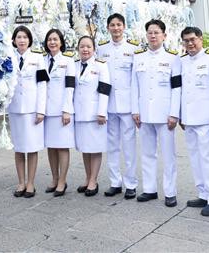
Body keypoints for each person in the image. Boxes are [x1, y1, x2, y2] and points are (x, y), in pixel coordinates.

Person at [179, 26, 209, 217]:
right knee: (195, 158)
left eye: (193, 39)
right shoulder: (182, 61)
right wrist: (181, 115)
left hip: (208, 119)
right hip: (190, 119)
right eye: (186, 41)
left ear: (201, 39)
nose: (190, 43)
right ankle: (204, 194)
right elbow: (182, 91)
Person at [131, 19, 181, 207]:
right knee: (147, 153)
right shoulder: (138, 57)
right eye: (150, 33)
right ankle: (149, 189)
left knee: (168, 155)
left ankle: (170, 192)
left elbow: (176, 88)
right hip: (144, 113)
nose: (153, 36)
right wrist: (135, 110)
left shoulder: (173, 57)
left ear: (164, 35)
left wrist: (174, 113)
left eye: (156, 32)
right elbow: (133, 85)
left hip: (165, 113)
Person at [97, 13, 138, 199]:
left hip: (128, 104)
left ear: (124, 26)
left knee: (128, 146)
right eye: (112, 25)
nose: (116, 28)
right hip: (108, 103)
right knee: (112, 145)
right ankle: (115, 182)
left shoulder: (134, 49)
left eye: (119, 25)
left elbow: (136, 80)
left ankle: (131, 184)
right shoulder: (101, 48)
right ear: (108, 28)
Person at [8, 25, 48, 198]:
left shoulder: (38, 58)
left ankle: (31, 183)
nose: (22, 40)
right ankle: (21, 182)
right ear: (14, 40)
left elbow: (42, 85)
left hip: (32, 110)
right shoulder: (8, 57)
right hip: (15, 108)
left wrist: (41, 110)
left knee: (32, 148)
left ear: (29, 40)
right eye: (19, 37)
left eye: (25, 37)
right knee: (18, 148)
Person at [74, 36, 111, 196]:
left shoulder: (101, 66)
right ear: (78, 49)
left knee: (95, 148)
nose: (85, 49)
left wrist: (102, 112)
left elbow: (104, 89)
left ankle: (93, 181)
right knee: (85, 147)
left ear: (94, 49)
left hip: (95, 114)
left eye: (88, 46)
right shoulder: (74, 65)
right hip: (79, 113)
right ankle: (87, 177)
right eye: (82, 46)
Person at [43, 28, 75, 197]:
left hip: (62, 110)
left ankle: (62, 181)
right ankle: (54, 179)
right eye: (49, 40)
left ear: (61, 42)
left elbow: (70, 87)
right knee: (51, 147)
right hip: (47, 111)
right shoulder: (42, 60)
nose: (52, 42)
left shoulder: (68, 61)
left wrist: (67, 110)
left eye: (55, 39)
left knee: (62, 147)